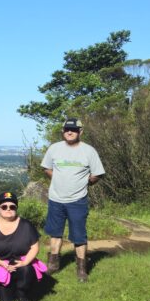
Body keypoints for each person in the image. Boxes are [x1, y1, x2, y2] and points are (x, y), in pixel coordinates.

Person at [41, 118, 105, 282]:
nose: (70, 132)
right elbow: (47, 168)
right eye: (67, 129)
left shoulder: (89, 151)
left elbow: (97, 173)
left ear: (80, 132)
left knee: (79, 235)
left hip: (78, 200)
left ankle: (81, 269)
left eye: (74, 130)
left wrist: (87, 182)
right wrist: (57, 179)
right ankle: (53, 265)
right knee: (55, 233)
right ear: (63, 131)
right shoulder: (54, 149)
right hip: (56, 199)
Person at [0, 192, 47, 301]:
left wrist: (25, 262)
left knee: (27, 269)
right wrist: (1, 263)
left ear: (16, 208)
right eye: (4, 207)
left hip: (21, 264)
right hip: (0, 265)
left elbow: (35, 247)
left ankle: (22, 292)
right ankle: (8, 287)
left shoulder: (26, 225)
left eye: (12, 207)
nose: (8, 209)